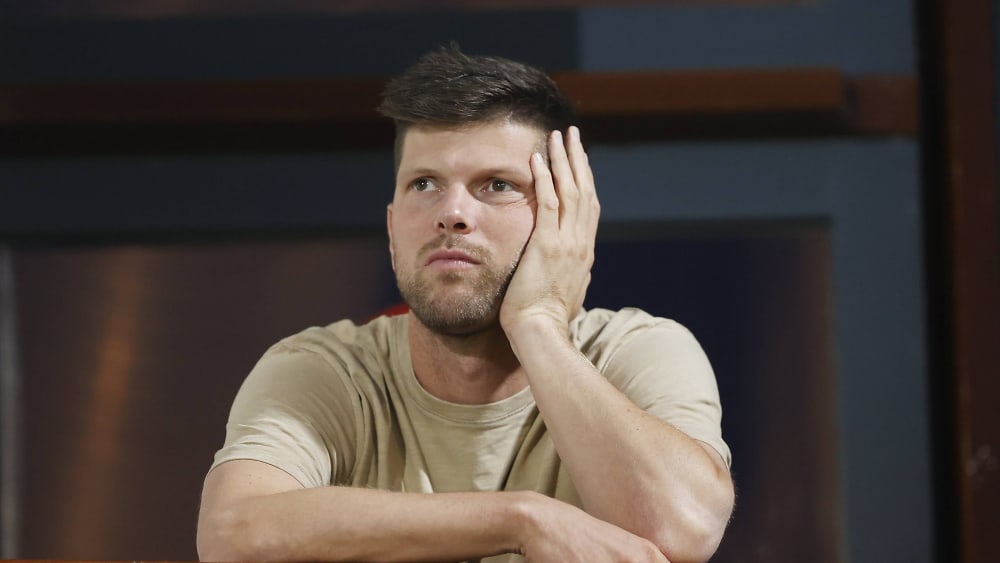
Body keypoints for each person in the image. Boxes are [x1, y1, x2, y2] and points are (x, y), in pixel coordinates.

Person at [197, 44, 734, 563]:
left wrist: (537, 323)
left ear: (566, 218)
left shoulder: (637, 351)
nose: (451, 213)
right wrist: (522, 521)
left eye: (496, 184)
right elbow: (233, 534)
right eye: (424, 183)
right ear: (392, 229)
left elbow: (683, 528)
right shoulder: (327, 369)